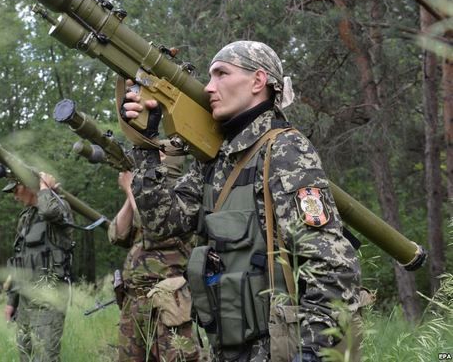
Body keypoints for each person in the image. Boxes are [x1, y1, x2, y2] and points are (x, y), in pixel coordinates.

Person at [121, 41, 362, 362]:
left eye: (221, 74)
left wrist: (310, 353)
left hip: (277, 350)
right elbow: (163, 225)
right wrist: (147, 148)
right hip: (228, 347)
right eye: (210, 76)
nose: (209, 88)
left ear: (258, 81)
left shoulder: (284, 150)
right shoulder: (217, 159)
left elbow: (332, 264)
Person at [109, 142, 200, 362]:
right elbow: (116, 234)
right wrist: (131, 195)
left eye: (159, 152)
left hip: (167, 302)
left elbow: (154, 225)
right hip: (133, 299)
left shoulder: (182, 191)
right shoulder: (144, 192)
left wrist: (133, 189)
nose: (151, 156)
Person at [4, 172, 75, 362]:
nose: (15, 196)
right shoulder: (26, 217)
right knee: (25, 355)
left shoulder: (58, 207)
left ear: (29, 185)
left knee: (45, 357)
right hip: (26, 300)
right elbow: (19, 260)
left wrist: (44, 188)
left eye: (16, 189)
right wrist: (12, 301)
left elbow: (49, 212)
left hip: (48, 299)